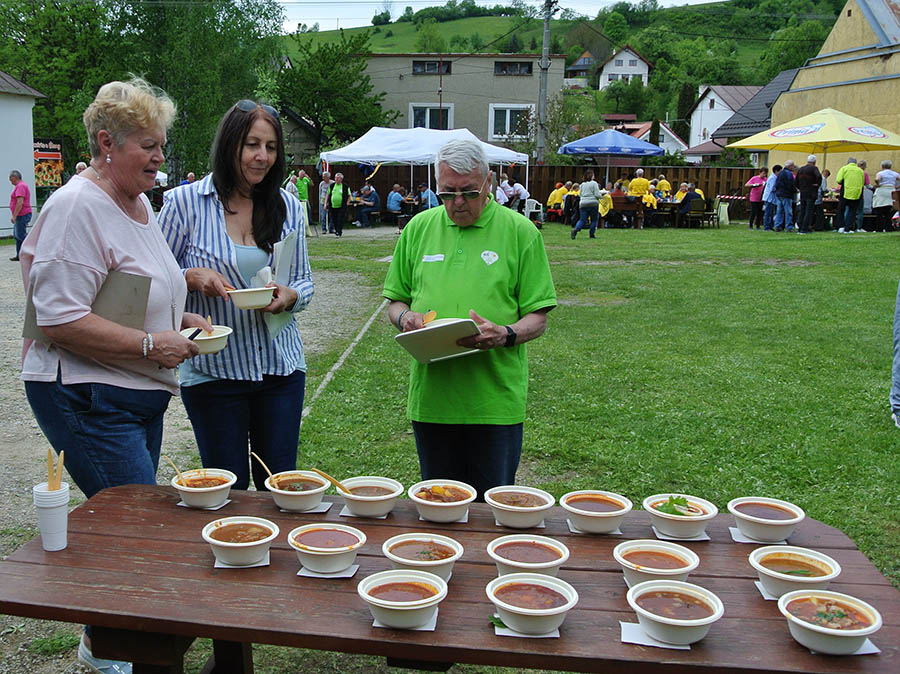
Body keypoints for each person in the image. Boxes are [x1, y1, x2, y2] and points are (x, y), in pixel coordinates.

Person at [20, 77, 205, 674]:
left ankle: (105, 638)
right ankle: (119, 651)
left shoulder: (139, 203)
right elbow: (57, 319)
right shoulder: (76, 206)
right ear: (106, 143)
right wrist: (154, 342)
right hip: (83, 393)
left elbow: (128, 290)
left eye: (162, 145)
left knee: (129, 524)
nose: (159, 157)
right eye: (147, 146)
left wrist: (179, 317)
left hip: (133, 390)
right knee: (138, 528)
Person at [383, 138, 556, 499]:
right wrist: (406, 320)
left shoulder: (521, 232)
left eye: (468, 192)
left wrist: (505, 334)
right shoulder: (418, 228)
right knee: (438, 508)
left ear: (489, 182)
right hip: (433, 401)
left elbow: (538, 317)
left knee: (492, 513)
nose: (457, 203)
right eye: (447, 193)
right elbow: (395, 302)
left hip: (494, 404)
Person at [158, 99, 314, 493]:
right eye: (251, 144)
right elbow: (153, 281)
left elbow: (305, 282)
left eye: (271, 147)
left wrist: (290, 295)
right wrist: (190, 277)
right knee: (225, 490)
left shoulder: (288, 207)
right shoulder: (185, 204)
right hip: (214, 373)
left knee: (280, 488)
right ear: (230, 145)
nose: (262, 156)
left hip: (281, 369)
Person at [8, 170, 32, 261]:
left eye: (11, 178)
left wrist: (14, 216)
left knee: (20, 235)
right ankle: (19, 254)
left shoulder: (20, 186)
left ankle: (32, 250)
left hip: (22, 214)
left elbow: (20, 202)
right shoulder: (20, 186)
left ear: (15, 177)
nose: (10, 180)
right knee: (17, 235)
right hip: (21, 214)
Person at [835, 158, 865, 233]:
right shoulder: (860, 171)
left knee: (841, 209)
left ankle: (841, 226)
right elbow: (862, 182)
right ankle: (848, 228)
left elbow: (838, 180)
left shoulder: (844, 168)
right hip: (856, 193)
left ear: (847, 163)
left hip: (845, 192)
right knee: (852, 211)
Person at [572, 169, 601, 239]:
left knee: (582, 219)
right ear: (591, 176)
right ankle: (591, 234)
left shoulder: (582, 185)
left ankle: (575, 229)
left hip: (583, 203)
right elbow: (597, 194)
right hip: (593, 203)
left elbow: (580, 194)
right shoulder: (594, 183)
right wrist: (602, 196)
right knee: (594, 219)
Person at [796, 155, 822, 234]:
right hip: (811, 193)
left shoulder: (801, 169)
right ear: (814, 162)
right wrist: (816, 184)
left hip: (803, 192)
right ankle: (805, 228)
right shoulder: (814, 169)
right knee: (809, 211)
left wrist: (800, 187)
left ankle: (800, 227)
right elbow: (819, 177)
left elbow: (796, 181)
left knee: (802, 210)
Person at [873, 160, 899, 232]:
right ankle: (888, 227)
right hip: (891, 191)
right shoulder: (895, 174)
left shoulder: (880, 173)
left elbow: (877, 179)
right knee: (889, 211)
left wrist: (878, 184)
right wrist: (896, 187)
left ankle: (879, 228)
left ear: (882, 166)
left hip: (882, 190)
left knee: (879, 211)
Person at [773, 160, 797, 232]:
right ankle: (789, 227)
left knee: (779, 211)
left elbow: (776, 184)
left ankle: (778, 226)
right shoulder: (789, 174)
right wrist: (795, 190)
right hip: (786, 194)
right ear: (789, 166)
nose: (793, 167)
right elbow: (790, 184)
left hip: (779, 194)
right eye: (792, 166)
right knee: (788, 211)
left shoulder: (780, 173)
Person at [327, 172, 350, 237]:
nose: (336, 179)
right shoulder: (332, 186)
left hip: (342, 206)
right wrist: (326, 203)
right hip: (333, 205)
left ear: (341, 179)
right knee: (334, 219)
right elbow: (328, 195)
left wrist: (347, 202)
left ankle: (339, 232)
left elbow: (349, 195)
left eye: (337, 178)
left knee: (340, 219)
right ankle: (336, 230)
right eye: (335, 178)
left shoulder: (345, 186)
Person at [762, 165, 781, 231]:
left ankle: (770, 226)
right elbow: (772, 188)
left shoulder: (774, 177)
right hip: (769, 198)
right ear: (776, 171)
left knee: (771, 213)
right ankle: (767, 227)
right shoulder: (773, 178)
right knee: (768, 213)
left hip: (772, 198)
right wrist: (778, 189)